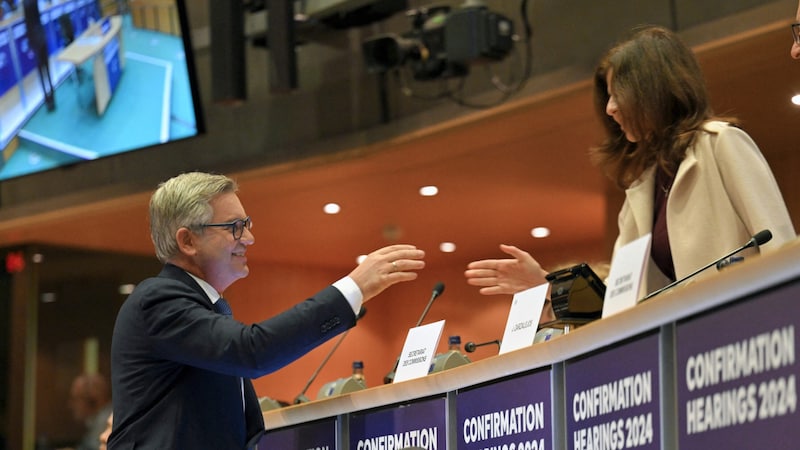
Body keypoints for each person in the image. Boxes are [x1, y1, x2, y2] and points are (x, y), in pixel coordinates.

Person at [465, 25, 796, 300]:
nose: (609, 108)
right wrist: (547, 287)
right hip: (683, 350)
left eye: (617, 94)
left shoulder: (722, 143)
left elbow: (781, 249)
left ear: (652, 90)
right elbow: (620, 299)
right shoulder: (642, 185)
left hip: (749, 338)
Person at [108, 172, 425, 449]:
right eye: (234, 227)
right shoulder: (157, 300)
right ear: (188, 240)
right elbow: (252, 351)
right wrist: (353, 289)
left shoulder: (207, 305)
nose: (249, 237)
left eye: (246, 224)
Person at [63, 373, 112, 450]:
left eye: (76, 398)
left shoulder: (106, 420)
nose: (71, 404)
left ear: (93, 400)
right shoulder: (95, 420)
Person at [22, 0, 55, 111]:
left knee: (41, 71)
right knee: (46, 68)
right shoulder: (34, 2)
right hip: (41, 36)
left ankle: (47, 99)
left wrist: (30, 43)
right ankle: (52, 97)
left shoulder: (25, 4)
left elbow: (27, 24)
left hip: (34, 40)